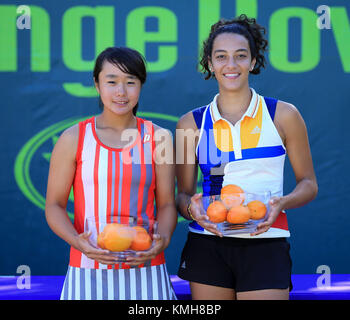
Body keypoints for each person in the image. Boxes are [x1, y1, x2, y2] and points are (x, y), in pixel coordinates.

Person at [176, 14, 318, 300]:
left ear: (253, 62)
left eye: (240, 56)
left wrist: (283, 202)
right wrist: (193, 211)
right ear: (210, 63)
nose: (231, 65)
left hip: (266, 242)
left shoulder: (284, 115)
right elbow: (183, 196)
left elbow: (309, 184)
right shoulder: (189, 124)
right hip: (207, 243)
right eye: (221, 57)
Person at [45, 47, 177, 300]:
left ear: (141, 86)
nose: (121, 92)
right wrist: (78, 241)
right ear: (97, 84)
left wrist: (164, 239)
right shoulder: (74, 138)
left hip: (146, 270)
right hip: (87, 271)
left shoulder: (159, 138)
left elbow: (167, 204)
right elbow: (54, 206)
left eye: (131, 82)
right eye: (111, 81)